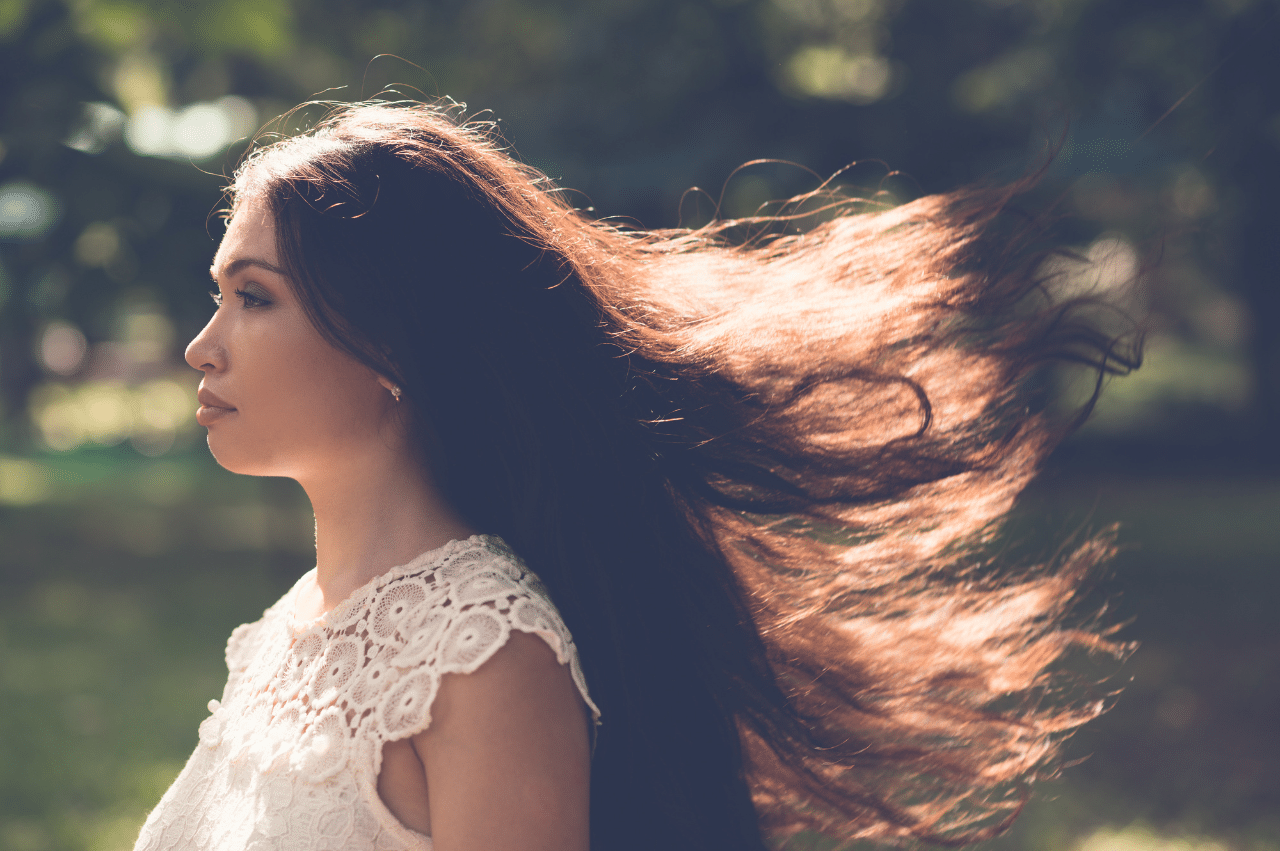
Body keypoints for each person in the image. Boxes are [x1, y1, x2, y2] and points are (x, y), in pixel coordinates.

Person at [134, 99, 1139, 851]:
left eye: (252, 298)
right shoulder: (289, 625)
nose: (201, 346)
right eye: (217, 297)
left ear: (388, 335)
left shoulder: (479, 654)